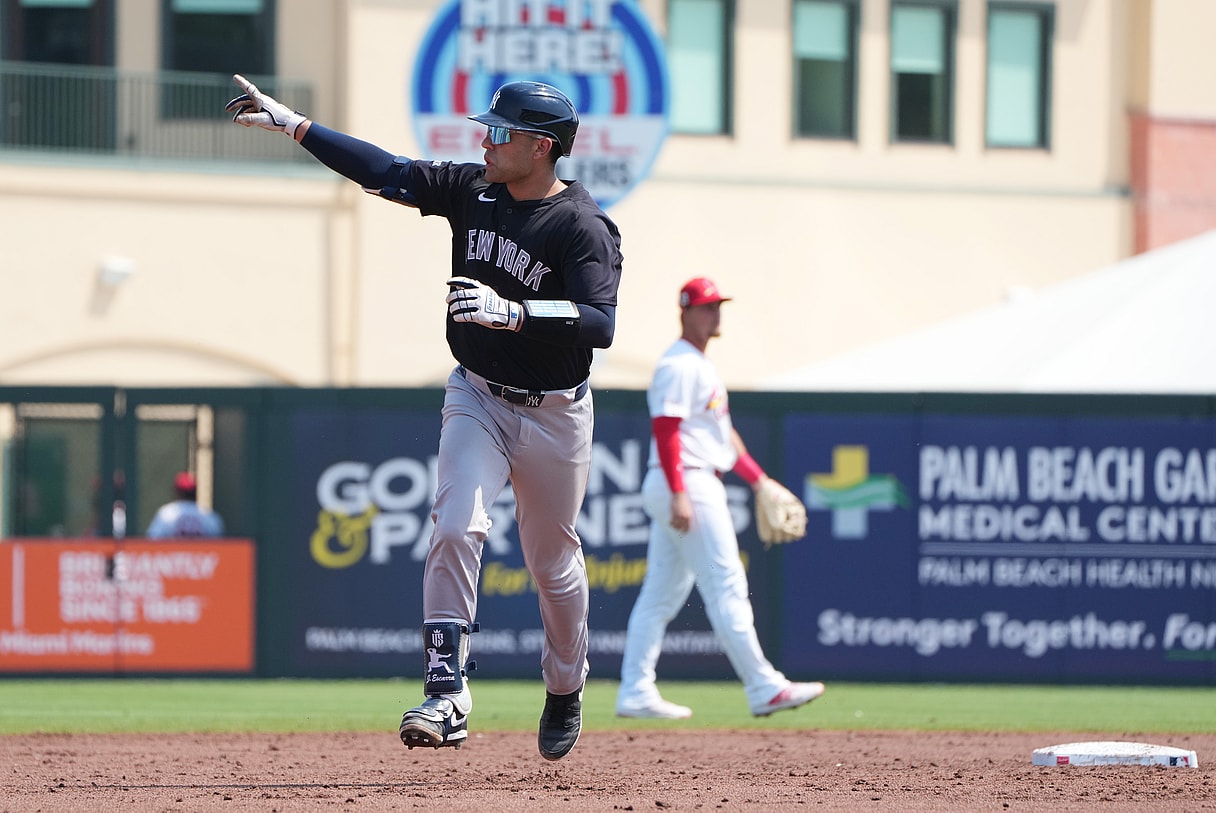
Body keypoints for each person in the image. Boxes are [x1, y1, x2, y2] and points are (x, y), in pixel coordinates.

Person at [226, 75, 622, 761]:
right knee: (454, 522)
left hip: (557, 416)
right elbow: (388, 173)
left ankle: (565, 685)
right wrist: (296, 125)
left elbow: (599, 323)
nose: (485, 139)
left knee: (553, 564)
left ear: (541, 146)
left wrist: (514, 313)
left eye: (499, 131)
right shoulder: (474, 191)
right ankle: (446, 691)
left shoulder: (580, 225)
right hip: (477, 395)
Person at [616, 277, 825, 719]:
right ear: (686, 312)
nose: (715, 314)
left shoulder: (698, 364)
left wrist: (759, 480)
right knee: (725, 583)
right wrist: (678, 493)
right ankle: (764, 686)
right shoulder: (679, 365)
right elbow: (666, 430)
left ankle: (635, 691)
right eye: (707, 307)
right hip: (686, 481)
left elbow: (722, 437)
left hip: (688, 479)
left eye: (718, 306)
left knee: (660, 595)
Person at [145, 472, 225, 539]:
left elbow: (153, 540)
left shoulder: (166, 514)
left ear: (177, 492)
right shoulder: (208, 516)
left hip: (174, 556)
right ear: (195, 493)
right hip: (201, 557)